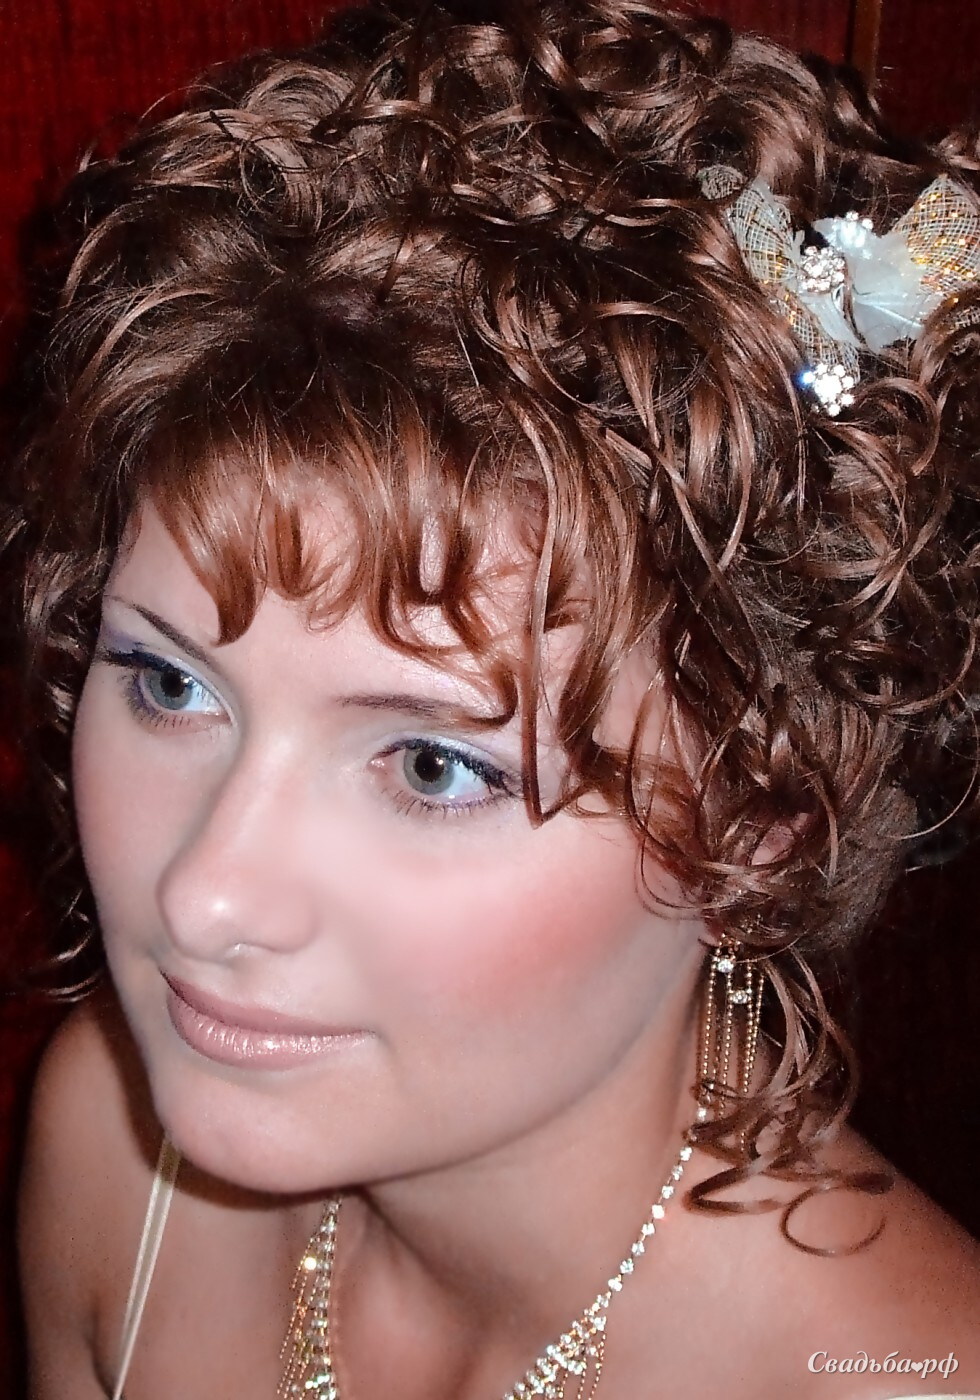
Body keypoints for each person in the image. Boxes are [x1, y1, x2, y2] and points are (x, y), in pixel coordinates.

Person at [4, 1, 980, 1396]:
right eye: (170, 683)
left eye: (430, 766)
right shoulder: (113, 1159)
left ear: (764, 821)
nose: (203, 898)